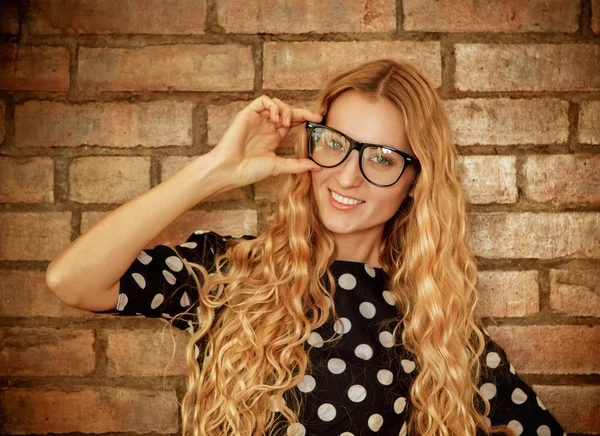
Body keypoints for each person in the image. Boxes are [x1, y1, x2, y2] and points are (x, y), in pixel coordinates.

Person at [45, 59, 566, 436]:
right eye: (335, 143)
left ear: (416, 180)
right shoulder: (231, 270)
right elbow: (72, 281)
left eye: (382, 158)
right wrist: (212, 172)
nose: (347, 175)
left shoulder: (439, 334)